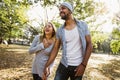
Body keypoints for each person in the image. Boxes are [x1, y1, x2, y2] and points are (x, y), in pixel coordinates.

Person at [43, 2, 93, 80]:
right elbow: (55, 49)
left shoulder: (83, 25)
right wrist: (47, 65)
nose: (60, 11)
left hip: (78, 66)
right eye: (59, 9)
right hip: (63, 65)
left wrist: (84, 65)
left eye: (63, 8)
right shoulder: (60, 30)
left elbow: (89, 44)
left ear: (70, 11)